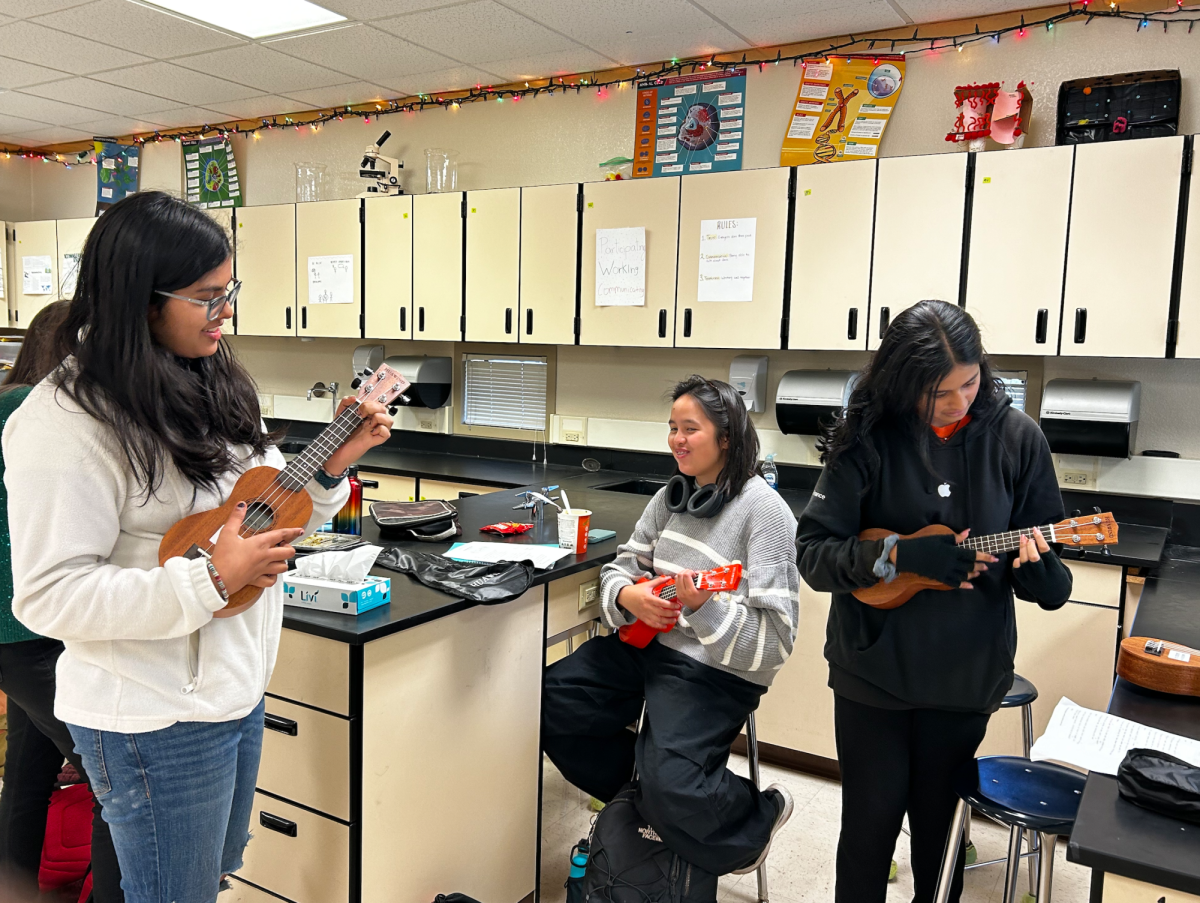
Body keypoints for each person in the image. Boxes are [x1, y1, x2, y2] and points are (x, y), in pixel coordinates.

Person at [3, 191, 393, 903]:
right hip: (153, 714)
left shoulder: (206, 378)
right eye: (207, 297)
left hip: (232, 692)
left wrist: (333, 468)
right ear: (139, 299)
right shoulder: (64, 420)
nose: (227, 313)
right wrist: (209, 582)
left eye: (229, 291)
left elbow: (262, 506)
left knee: (206, 875)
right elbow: (47, 594)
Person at [796, 300, 1073, 903]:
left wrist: (1044, 572)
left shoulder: (1017, 438)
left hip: (964, 677)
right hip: (872, 674)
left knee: (938, 841)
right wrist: (901, 555)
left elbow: (1051, 585)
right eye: (937, 393)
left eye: (969, 383)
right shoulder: (868, 438)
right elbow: (814, 556)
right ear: (902, 386)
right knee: (867, 833)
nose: (957, 402)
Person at [542, 375, 800, 877]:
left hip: (713, 668)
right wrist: (628, 596)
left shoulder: (766, 513)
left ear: (727, 438)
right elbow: (622, 566)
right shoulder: (671, 498)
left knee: (675, 784)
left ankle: (756, 815)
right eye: (672, 428)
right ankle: (651, 805)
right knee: (553, 704)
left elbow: (775, 643)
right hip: (645, 647)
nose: (676, 440)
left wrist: (705, 609)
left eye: (691, 429)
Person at [0, 301, 124, 901]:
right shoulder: (51, 420)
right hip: (31, 635)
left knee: (26, 772)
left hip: (13, 638)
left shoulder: (10, 406)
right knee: (112, 784)